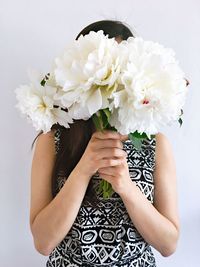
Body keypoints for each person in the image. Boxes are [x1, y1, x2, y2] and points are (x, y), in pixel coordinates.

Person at [29, 20, 180, 267]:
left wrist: (127, 187)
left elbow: (168, 245)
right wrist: (84, 170)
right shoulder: (52, 140)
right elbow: (43, 243)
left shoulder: (155, 143)